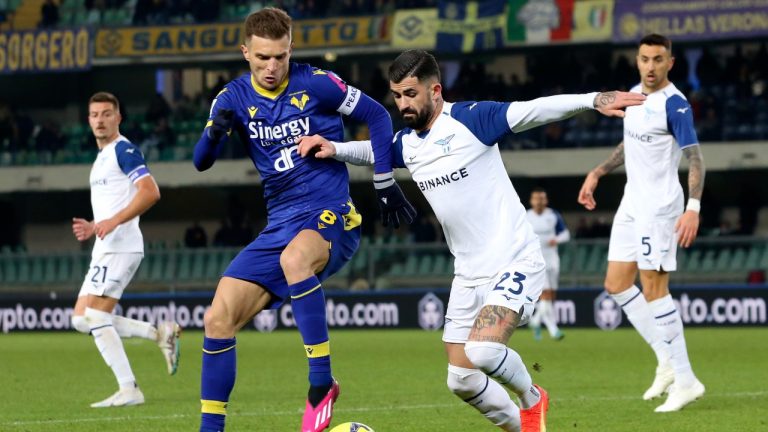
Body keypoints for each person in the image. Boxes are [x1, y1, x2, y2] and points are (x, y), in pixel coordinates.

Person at [297, 49, 644, 432]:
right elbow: (378, 151)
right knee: (460, 379)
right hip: (468, 274)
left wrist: (592, 100)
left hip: (514, 261)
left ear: (435, 90)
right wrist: (336, 150)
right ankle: (523, 427)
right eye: (396, 95)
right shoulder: (411, 143)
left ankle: (532, 399)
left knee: (483, 350)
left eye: (410, 93)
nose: (402, 104)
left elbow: (535, 109)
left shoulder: (470, 120)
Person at [192, 8, 414, 432]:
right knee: (217, 319)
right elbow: (201, 162)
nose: (272, 66)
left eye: (279, 56)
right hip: (279, 223)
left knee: (295, 261)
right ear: (245, 53)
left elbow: (378, 116)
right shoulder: (231, 99)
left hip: (330, 214)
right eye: (262, 58)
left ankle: (320, 382)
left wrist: (384, 182)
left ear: (290, 48)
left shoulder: (318, 84)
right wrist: (214, 133)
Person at [577, 33, 706, 412]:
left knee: (654, 290)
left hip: (660, 207)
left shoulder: (676, 104)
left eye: (658, 59)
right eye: (645, 59)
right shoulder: (633, 95)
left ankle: (686, 380)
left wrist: (694, 207)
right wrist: (598, 172)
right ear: (637, 60)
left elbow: (695, 158)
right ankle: (666, 362)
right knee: (616, 284)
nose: (650, 66)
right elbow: (630, 143)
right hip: (632, 203)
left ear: (670, 63)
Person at [70, 91, 181, 408]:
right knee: (81, 319)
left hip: (122, 247)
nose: (100, 120)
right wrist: (96, 225)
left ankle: (129, 388)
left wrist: (115, 221)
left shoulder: (124, 150)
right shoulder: (102, 156)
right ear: (88, 120)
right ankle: (159, 334)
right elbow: (115, 203)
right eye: (94, 115)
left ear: (118, 117)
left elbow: (151, 192)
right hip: (105, 246)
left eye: (107, 113)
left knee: (95, 315)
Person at [525, 187, 570, 341]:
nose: (539, 201)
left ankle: (537, 321)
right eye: (536, 198)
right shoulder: (526, 216)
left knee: (551, 295)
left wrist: (556, 240)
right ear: (531, 201)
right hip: (536, 260)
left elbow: (565, 234)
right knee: (545, 294)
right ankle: (552, 329)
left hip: (552, 259)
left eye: (542, 198)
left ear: (546, 200)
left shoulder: (552, 215)